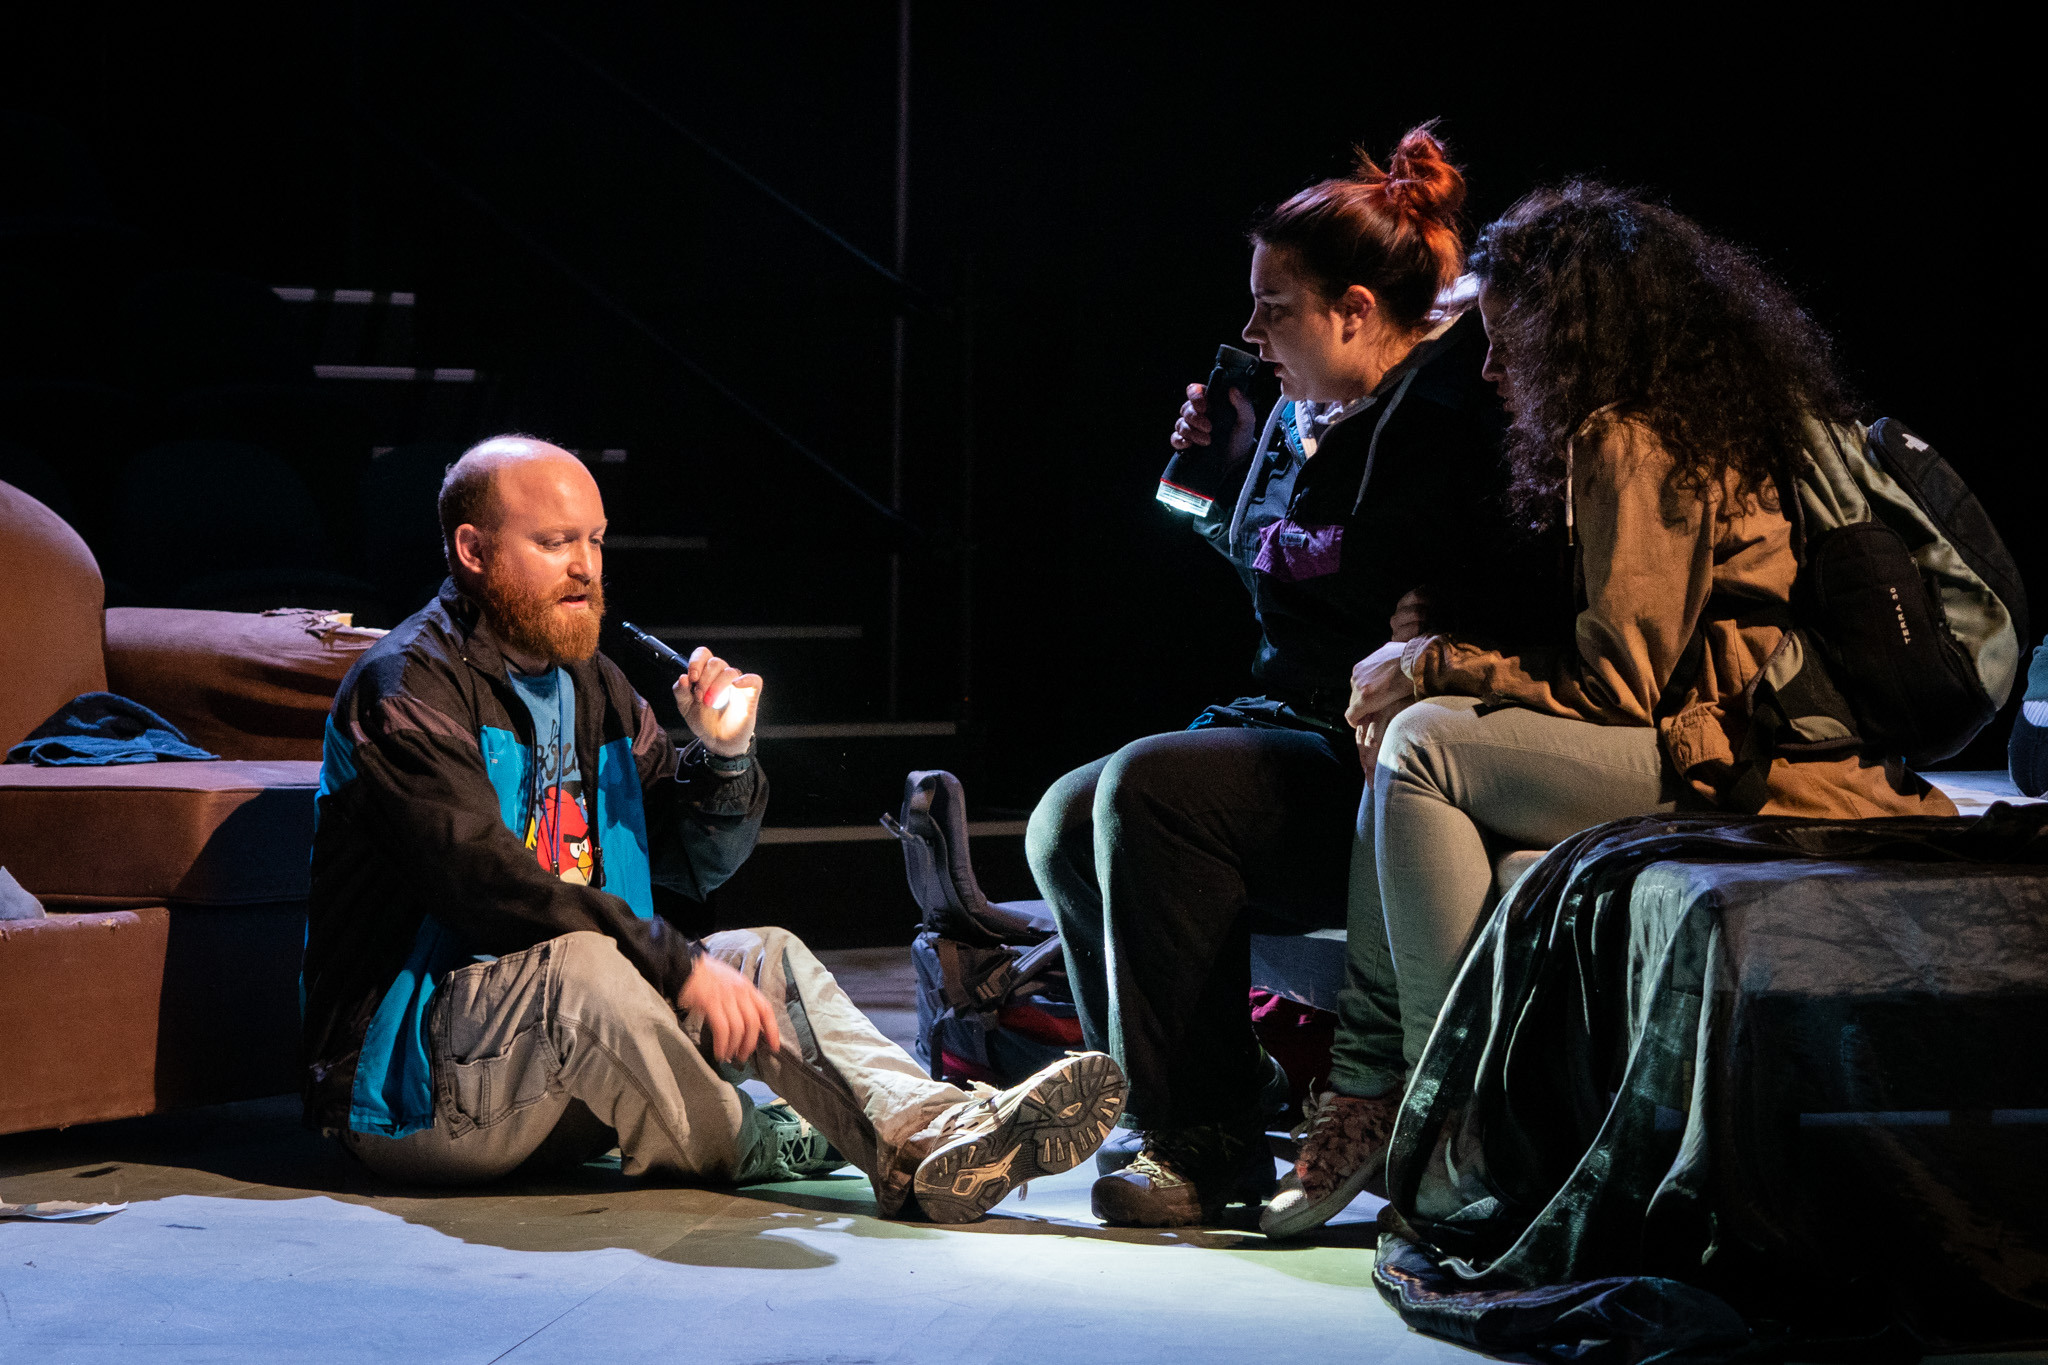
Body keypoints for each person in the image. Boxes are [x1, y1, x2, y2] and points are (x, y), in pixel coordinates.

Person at [1273, 181, 1960, 1237]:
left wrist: (1435, 665)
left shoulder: (1624, 438)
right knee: (1423, 765)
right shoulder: (1688, 419)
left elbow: (1620, 686)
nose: (1492, 370)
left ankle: (1448, 1112)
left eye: (1509, 344)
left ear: (1573, 336)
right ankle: (1388, 1097)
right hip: (1711, 744)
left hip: (1739, 763)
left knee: (1415, 748)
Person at [301, 436, 1125, 1222]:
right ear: (472, 551)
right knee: (590, 965)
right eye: (554, 542)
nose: (585, 566)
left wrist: (724, 756)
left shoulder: (599, 688)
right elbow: (484, 885)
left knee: (760, 950)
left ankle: (936, 1129)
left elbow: (698, 865)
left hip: (573, 1079)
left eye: (594, 539)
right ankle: (778, 1140)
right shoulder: (405, 689)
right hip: (413, 1091)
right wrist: (674, 964)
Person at [1027, 127, 1533, 1228]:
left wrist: (1416, 612)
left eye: (1274, 308)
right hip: (1302, 717)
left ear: (1353, 310)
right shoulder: (1329, 414)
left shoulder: (1445, 417)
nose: (1251, 334)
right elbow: (1298, 584)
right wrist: (1225, 480)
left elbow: (1389, 590)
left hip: (1388, 761)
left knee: (1152, 792)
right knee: (1064, 816)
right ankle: (1205, 1094)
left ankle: (1201, 1149)